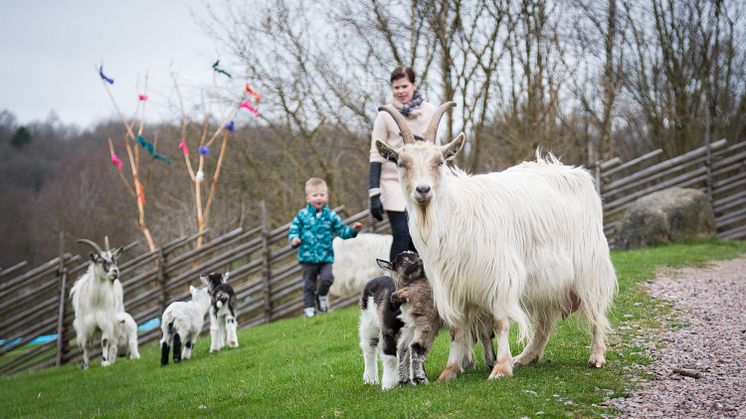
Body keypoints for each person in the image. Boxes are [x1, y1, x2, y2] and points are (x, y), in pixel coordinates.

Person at [369, 66, 436, 261]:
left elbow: (436, 151)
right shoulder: (385, 115)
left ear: (414, 85)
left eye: (404, 86)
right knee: (402, 234)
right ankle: (395, 282)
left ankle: (419, 284)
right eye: (396, 87)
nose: (400, 91)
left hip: (423, 182)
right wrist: (374, 193)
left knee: (421, 237)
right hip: (393, 182)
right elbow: (376, 154)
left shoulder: (430, 111)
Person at [288, 177, 362, 318]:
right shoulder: (302, 215)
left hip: (326, 257)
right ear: (308, 198)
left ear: (327, 197)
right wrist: (294, 239)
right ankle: (309, 309)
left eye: (322, 195)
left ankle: (322, 296)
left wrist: (353, 230)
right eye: (315, 195)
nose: (319, 198)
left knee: (327, 279)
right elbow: (293, 230)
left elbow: (341, 231)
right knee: (309, 285)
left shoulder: (331, 216)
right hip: (307, 258)